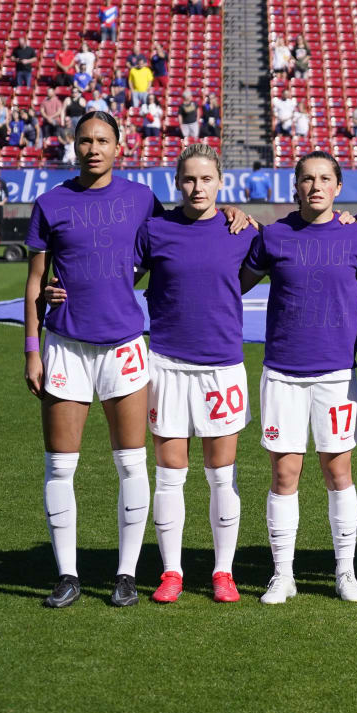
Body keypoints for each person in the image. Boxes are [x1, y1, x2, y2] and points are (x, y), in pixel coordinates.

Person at [23, 113, 251, 609]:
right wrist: (32, 347)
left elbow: (191, 224)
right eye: (85, 140)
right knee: (60, 466)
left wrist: (231, 211)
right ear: (73, 145)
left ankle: (126, 574)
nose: (93, 148)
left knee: (132, 464)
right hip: (65, 344)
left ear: (119, 146)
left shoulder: (142, 200)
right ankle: (67, 574)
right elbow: (36, 279)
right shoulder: (50, 203)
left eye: (102, 140)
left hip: (125, 345)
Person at [241, 152, 357, 604]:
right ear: (295, 186)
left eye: (325, 179)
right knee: (285, 473)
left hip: (336, 375)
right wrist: (231, 217)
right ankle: (283, 574)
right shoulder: (273, 236)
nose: (316, 186)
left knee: (339, 472)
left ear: (338, 187)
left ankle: (345, 572)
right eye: (308, 179)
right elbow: (231, 282)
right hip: (282, 372)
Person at [132, 145, 255, 604]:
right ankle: (172, 572)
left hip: (222, 367)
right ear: (177, 182)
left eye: (206, 179)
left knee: (222, 475)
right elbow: (119, 280)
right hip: (166, 365)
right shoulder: (155, 230)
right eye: (189, 179)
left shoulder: (242, 230)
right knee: (170, 475)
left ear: (220, 182)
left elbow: (262, 268)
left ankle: (223, 572)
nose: (197, 188)